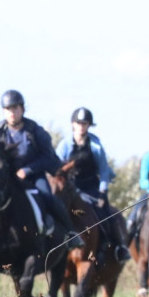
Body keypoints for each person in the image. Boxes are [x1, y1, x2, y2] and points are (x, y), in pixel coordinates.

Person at [0, 90, 85, 250]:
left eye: (15, 108)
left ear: (22, 109)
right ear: (4, 111)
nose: (12, 112)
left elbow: (49, 158)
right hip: (8, 177)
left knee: (48, 196)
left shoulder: (35, 131)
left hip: (34, 176)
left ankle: (70, 234)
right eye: (8, 109)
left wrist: (27, 170)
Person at [54, 107, 130, 262]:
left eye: (85, 123)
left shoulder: (95, 145)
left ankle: (118, 247)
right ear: (73, 124)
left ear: (89, 125)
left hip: (92, 188)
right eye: (79, 123)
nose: (81, 127)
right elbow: (56, 170)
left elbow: (104, 169)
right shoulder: (64, 145)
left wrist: (103, 192)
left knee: (107, 214)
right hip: (70, 188)